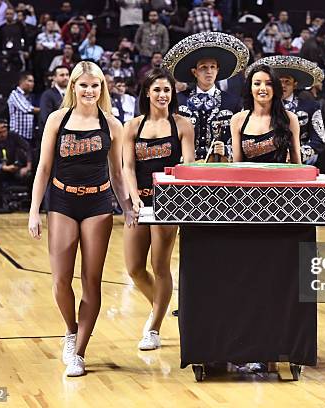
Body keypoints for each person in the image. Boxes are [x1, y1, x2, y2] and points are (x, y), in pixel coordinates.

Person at [28, 61, 133, 377]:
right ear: (72, 86)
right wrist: (34, 210)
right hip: (62, 200)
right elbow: (44, 168)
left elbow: (116, 172)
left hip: (98, 202)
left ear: (102, 88)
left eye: (95, 85)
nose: (89, 90)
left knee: (91, 280)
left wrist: (127, 206)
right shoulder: (57, 120)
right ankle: (71, 331)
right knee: (61, 278)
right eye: (83, 85)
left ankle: (79, 351)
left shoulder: (112, 124)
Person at [122, 67, 195, 350]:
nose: (163, 95)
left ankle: (154, 327)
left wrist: (180, 196)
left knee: (159, 265)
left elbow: (186, 166)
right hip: (140, 202)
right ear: (147, 93)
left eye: (167, 90)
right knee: (134, 268)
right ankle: (161, 306)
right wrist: (132, 199)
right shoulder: (133, 126)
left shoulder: (182, 125)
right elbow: (127, 166)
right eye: (157, 90)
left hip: (168, 203)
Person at [163, 31, 249, 160]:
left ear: (217, 70)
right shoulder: (179, 101)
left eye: (212, 67)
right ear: (194, 72)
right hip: (185, 168)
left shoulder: (233, 102)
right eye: (203, 67)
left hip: (220, 168)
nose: (209, 71)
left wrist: (226, 150)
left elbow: (242, 140)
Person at [246, 55, 325, 164]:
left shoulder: (310, 107)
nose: (282, 85)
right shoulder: (259, 107)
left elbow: (319, 139)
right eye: (279, 81)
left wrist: (297, 153)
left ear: (295, 85)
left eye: (287, 82)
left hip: (301, 163)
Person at [231, 64, 301, 164]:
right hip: (248, 178)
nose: (263, 88)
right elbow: (236, 164)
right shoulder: (237, 120)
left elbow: (297, 162)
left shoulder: (290, 118)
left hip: (279, 179)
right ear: (250, 89)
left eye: (269, 84)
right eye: (257, 83)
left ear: (275, 88)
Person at [0, 119, 32, 185]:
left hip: (14, 166)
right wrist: (4, 167)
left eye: (5, 131)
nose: (3, 134)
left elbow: (28, 148)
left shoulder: (13, 135)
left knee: (28, 174)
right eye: (0, 132)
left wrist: (28, 166)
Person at [7, 72, 39, 144]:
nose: (32, 84)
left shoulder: (29, 96)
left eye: (33, 81)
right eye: (30, 81)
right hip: (17, 136)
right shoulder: (14, 94)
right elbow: (26, 109)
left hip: (28, 136)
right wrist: (45, 110)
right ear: (22, 82)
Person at [39, 66, 70, 133]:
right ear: (54, 78)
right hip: (53, 134)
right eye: (62, 75)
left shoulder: (73, 93)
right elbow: (46, 118)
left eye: (67, 75)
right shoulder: (47, 95)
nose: (65, 77)